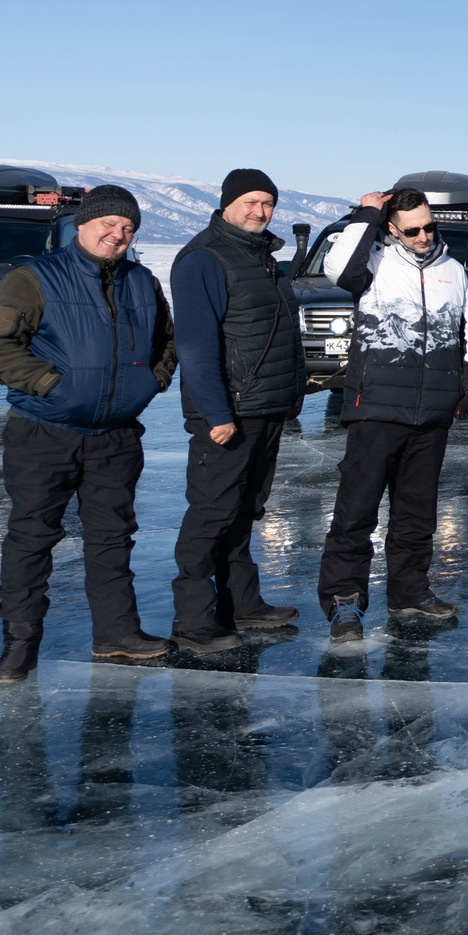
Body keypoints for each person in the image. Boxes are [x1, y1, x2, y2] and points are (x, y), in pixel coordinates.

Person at [0, 184, 176, 682]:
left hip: (116, 436)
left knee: (113, 538)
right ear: (81, 225)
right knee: (31, 538)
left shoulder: (142, 282)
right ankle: (19, 645)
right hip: (44, 432)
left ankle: (116, 634)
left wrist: (150, 381)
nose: (118, 234)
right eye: (109, 224)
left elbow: (168, 342)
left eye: (128, 228)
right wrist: (51, 385)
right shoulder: (33, 279)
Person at [317, 186, 468, 642]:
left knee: (417, 514)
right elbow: (337, 269)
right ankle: (344, 603)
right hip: (376, 410)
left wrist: (463, 377)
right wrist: (365, 214)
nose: (425, 235)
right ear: (392, 229)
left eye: (430, 226)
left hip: (431, 414)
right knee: (356, 512)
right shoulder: (373, 262)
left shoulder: (452, 269)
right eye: (413, 230)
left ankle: (410, 592)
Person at [166, 169, 305, 654]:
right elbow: (197, 346)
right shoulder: (203, 259)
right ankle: (193, 619)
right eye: (250, 201)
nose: (260, 211)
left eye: (267, 203)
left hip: (264, 408)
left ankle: (241, 603)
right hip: (228, 414)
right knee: (211, 514)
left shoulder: (262, 256)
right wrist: (215, 412)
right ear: (228, 202)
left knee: (246, 509)